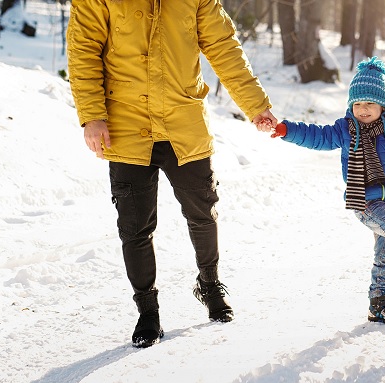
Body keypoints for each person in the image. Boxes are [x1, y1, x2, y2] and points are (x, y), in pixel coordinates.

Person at [66, 0, 277, 348]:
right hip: (125, 126)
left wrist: (256, 105)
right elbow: (83, 49)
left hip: (185, 124)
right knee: (135, 227)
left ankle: (209, 283)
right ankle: (147, 310)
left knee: (203, 213)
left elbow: (223, 46)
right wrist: (92, 115)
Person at [267, 57, 385, 325]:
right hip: (364, 201)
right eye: (357, 104)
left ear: (383, 105)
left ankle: (379, 305)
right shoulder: (344, 130)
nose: (363, 109)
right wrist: (286, 129)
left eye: (369, 103)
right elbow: (317, 136)